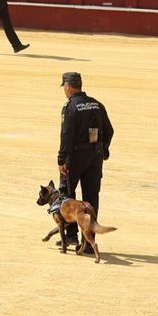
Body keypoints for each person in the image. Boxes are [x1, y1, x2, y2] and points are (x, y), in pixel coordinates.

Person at [56, 71, 114, 250]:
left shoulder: (71, 107)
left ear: (68, 86)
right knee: (91, 199)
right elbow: (109, 130)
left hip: (75, 158)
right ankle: (88, 243)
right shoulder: (97, 104)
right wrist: (103, 150)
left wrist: (61, 159)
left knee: (66, 195)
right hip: (94, 157)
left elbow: (66, 136)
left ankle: (71, 235)